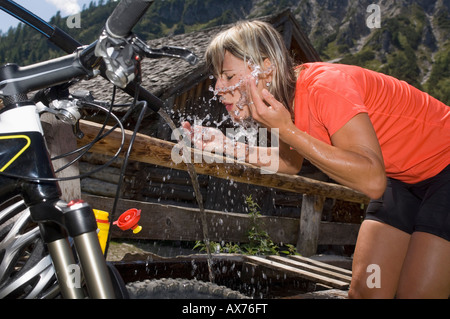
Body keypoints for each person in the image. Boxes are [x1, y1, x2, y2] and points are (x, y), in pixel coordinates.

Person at [181, 20, 450, 299]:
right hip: (403, 178)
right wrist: (226, 145)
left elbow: (372, 182)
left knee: (417, 294)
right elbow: (289, 163)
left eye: (227, 75)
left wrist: (286, 130)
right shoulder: (284, 99)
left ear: (266, 67)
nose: (218, 88)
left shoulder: (325, 87)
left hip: (445, 168)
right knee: (366, 291)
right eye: (216, 77)